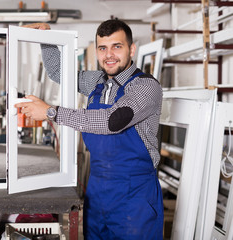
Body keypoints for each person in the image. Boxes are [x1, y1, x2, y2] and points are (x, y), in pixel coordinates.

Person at [15, 20, 164, 239]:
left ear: (131, 49)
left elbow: (112, 121)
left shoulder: (145, 87)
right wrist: (45, 38)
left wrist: (51, 112)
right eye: (103, 48)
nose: (109, 55)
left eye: (117, 46)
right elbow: (58, 72)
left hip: (134, 196)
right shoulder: (97, 82)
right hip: (98, 191)